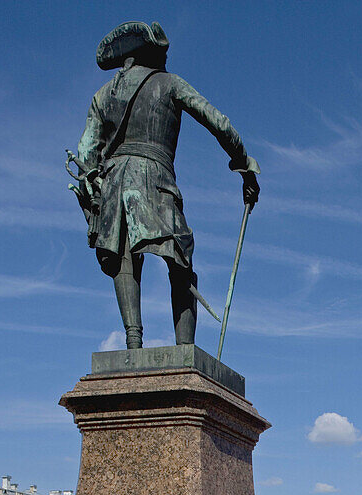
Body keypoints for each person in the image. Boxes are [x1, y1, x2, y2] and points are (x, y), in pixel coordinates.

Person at [74, 21, 260, 349]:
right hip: (157, 181)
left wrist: (94, 187)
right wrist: (244, 165)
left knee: (123, 256)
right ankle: (184, 352)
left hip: (116, 181)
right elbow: (218, 122)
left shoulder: (104, 94)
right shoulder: (169, 83)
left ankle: (134, 342)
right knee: (181, 264)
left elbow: (86, 151)